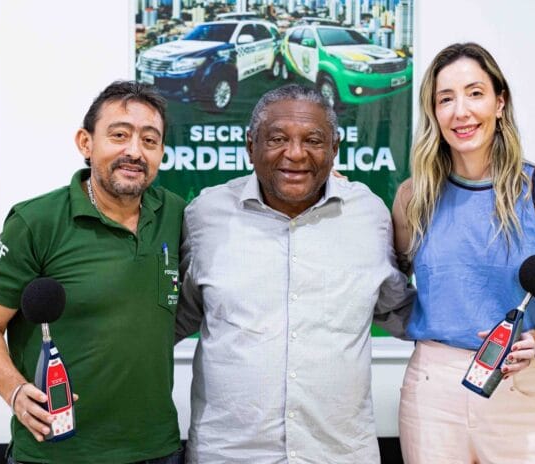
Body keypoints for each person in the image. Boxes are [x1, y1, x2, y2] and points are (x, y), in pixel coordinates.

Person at [175, 84, 416, 463]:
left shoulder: (369, 216)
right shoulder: (205, 216)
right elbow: (170, 318)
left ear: (334, 148)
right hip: (230, 453)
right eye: (277, 139)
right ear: (250, 146)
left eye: (313, 140)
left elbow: (399, 311)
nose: (296, 153)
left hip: (339, 454)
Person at [0, 81, 186, 464]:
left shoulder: (178, 215)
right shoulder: (36, 221)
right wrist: (15, 392)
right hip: (56, 452)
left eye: (150, 140)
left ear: (161, 153)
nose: (135, 151)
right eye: (119, 135)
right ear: (86, 142)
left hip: (158, 450)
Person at [392, 42, 535, 463]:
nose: (461, 112)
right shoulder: (414, 198)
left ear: (500, 102)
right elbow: (391, 287)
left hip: (521, 387)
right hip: (432, 394)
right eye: (445, 99)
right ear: (433, 112)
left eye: (475, 93)